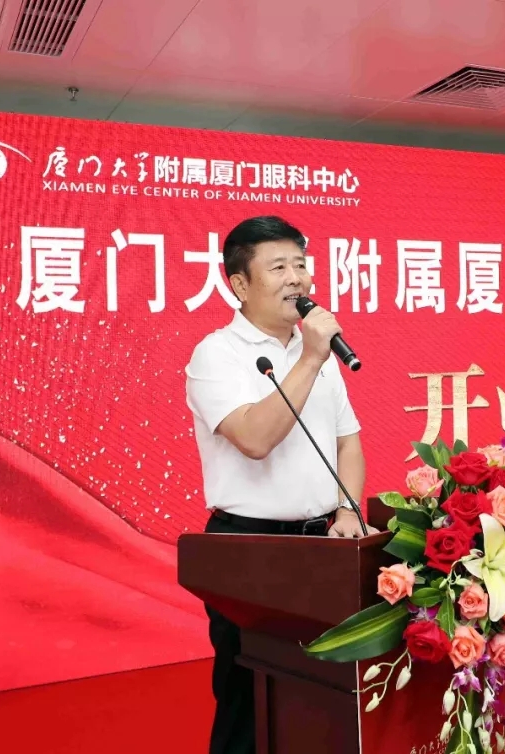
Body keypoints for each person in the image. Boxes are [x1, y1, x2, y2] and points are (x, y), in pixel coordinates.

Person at [184, 215, 371, 754]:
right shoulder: (217, 354)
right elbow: (254, 438)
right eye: (279, 267)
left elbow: (348, 443)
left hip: (323, 546)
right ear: (240, 285)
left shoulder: (317, 355)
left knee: (323, 696)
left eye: (300, 265)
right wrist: (310, 357)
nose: (297, 279)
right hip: (249, 549)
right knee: (249, 700)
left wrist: (348, 512)